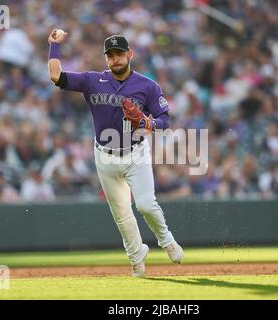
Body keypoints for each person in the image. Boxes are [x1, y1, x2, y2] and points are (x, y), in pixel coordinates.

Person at [47, 30, 183, 277]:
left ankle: (167, 241)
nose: (115, 59)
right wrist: (54, 46)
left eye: (119, 53)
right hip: (104, 156)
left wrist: (150, 124)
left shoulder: (148, 86)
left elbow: (165, 119)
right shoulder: (92, 80)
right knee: (121, 214)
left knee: (146, 205)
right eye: (110, 55)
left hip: (135, 153)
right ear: (106, 59)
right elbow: (56, 76)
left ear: (129, 54)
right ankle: (136, 259)